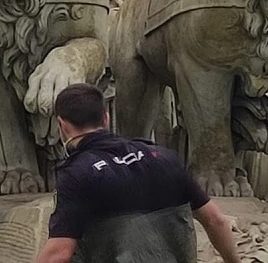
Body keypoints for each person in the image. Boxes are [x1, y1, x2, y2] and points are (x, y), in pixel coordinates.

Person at [36, 84, 241, 263]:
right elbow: (216, 220)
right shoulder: (164, 158)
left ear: (62, 125)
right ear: (105, 118)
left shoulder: (77, 174)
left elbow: (59, 254)